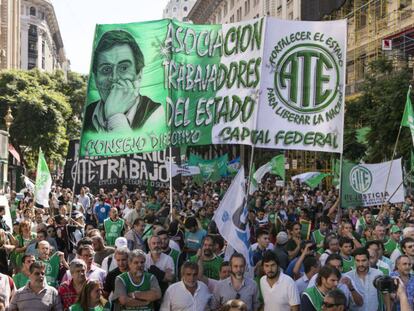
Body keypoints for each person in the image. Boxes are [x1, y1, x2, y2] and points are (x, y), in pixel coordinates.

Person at [84, 29, 161, 133]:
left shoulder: (156, 113)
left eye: (124, 68)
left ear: (139, 74)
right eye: (106, 69)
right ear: (96, 78)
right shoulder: (87, 113)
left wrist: (115, 117)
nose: (114, 77)